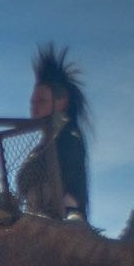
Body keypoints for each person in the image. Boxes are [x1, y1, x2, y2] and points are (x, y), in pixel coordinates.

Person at [17, 43, 90, 222]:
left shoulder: (69, 139)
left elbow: (69, 185)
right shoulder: (46, 144)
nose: (34, 109)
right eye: (32, 103)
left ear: (62, 101)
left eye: (41, 101)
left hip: (60, 221)